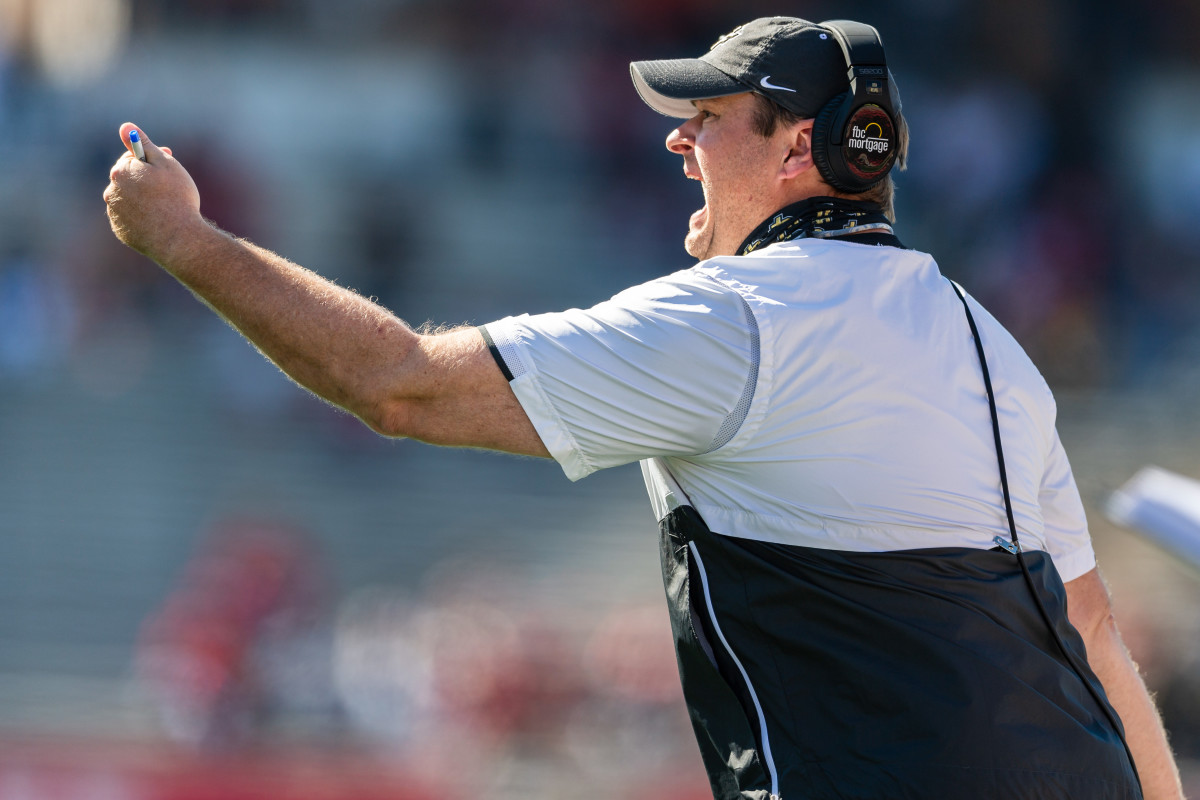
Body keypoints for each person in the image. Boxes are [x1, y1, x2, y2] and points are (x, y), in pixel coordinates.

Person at [104, 15, 1182, 800]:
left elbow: (400, 384)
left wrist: (188, 244)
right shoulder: (991, 343)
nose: (679, 141)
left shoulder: (735, 320)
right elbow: (1091, 633)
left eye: (709, 117)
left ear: (799, 149)